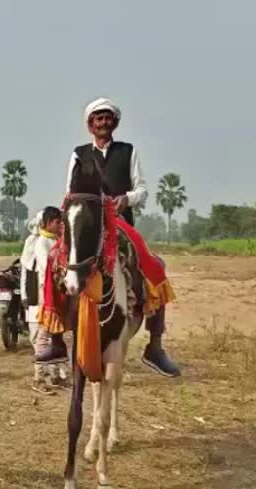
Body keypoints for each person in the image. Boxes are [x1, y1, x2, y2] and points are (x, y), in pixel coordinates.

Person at [66, 97, 180, 377]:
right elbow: (70, 190)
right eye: (98, 118)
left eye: (107, 118)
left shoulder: (128, 151)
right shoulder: (79, 153)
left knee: (156, 266)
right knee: (57, 262)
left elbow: (142, 189)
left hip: (119, 222)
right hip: (89, 223)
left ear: (114, 123)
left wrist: (125, 199)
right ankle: (54, 335)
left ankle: (155, 346)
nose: (103, 122)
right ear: (90, 125)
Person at [21, 207, 68, 391]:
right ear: (48, 223)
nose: (59, 225)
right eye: (57, 222)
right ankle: (39, 378)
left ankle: (55, 376)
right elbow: (46, 265)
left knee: (58, 336)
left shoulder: (56, 240)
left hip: (57, 292)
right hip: (46, 293)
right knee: (43, 336)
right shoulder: (42, 243)